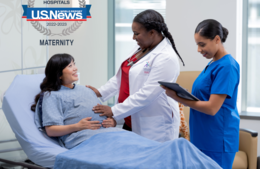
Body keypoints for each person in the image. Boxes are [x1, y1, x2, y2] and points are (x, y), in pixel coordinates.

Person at [88, 9, 184, 142]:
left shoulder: (166, 57)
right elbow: (123, 77)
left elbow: (147, 94)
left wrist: (114, 110)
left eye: (136, 33)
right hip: (130, 117)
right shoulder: (142, 47)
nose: (133, 38)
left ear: (152, 33)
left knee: (152, 161)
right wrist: (100, 92)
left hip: (153, 124)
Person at [161, 19, 240, 169]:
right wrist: (181, 94)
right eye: (197, 44)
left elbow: (212, 108)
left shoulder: (227, 66)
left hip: (217, 139)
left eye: (202, 44)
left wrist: (178, 98)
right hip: (202, 136)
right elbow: (202, 97)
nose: (198, 49)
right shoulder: (212, 63)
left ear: (217, 39)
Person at [31, 54, 124, 149]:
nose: (75, 68)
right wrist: (78, 126)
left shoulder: (87, 90)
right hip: (81, 137)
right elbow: (51, 131)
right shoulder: (52, 95)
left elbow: (103, 113)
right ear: (58, 74)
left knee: (130, 141)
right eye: (70, 66)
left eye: (74, 64)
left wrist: (112, 121)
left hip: (109, 132)